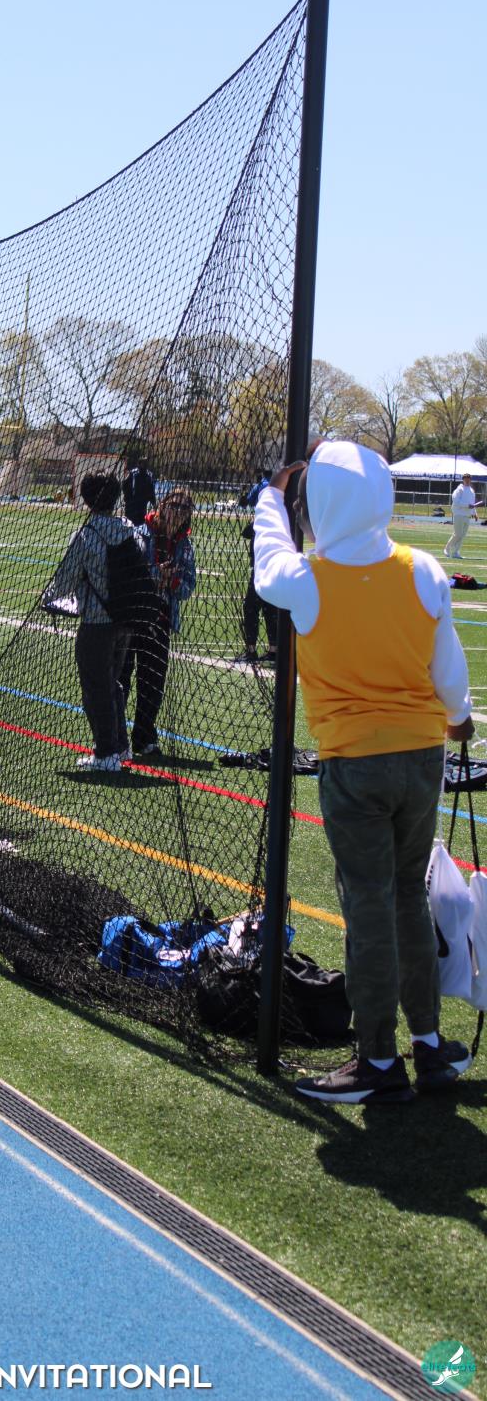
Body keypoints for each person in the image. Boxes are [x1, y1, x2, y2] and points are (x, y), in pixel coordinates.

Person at [254, 440, 474, 1103]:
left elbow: (268, 560)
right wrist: (459, 719)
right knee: (408, 896)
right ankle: (428, 1044)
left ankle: (377, 1058)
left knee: (369, 904)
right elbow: (449, 668)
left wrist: (271, 496)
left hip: (354, 761)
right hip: (422, 755)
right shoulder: (423, 568)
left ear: (322, 502)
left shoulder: (308, 579)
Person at [47, 473, 136, 772]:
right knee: (113, 684)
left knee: (96, 689)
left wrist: (48, 598)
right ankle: (120, 746)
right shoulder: (129, 530)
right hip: (125, 620)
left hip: (97, 623)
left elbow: (64, 581)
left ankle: (106, 752)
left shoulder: (85, 535)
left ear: (87, 500)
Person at [128, 489, 196, 761]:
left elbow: (188, 587)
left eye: (185, 508)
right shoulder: (139, 534)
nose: (179, 512)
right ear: (162, 505)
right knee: (121, 679)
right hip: (132, 617)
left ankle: (144, 737)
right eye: (174, 505)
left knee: (153, 684)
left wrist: (173, 582)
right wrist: (158, 575)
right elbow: (131, 574)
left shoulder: (185, 545)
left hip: (162, 620)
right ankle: (115, 739)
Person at [239, 466, 277, 662]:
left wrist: (245, 497)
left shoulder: (263, 486)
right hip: (276, 559)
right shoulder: (281, 488)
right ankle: (274, 649)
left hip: (263, 561)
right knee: (270, 606)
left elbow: (247, 502)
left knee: (251, 606)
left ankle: (251, 649)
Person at [445, 473, 478, 560]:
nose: (467, 480)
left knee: (462, 535)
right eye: (465, 479)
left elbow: (472, 503)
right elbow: (456, 501)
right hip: (459, 514)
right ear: (463, 480)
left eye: (468, 479)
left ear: (470, 480)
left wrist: (475, 513)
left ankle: (455, 552)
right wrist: (467, 505)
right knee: (458, 534)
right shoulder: (459, 489)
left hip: (467, 515)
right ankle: (447, 549)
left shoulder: (472, 491)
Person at [122, 455, 158, 527]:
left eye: (146, 463)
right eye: (143, 463)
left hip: (141, 506)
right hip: (131, 505)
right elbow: (124, 485)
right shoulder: (133, 474)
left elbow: (151, 491)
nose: (145, 465)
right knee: (130, 524)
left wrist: (154, 503)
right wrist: (127, 498)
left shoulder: (149, 476)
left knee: (139, 525)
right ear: (139, 464)